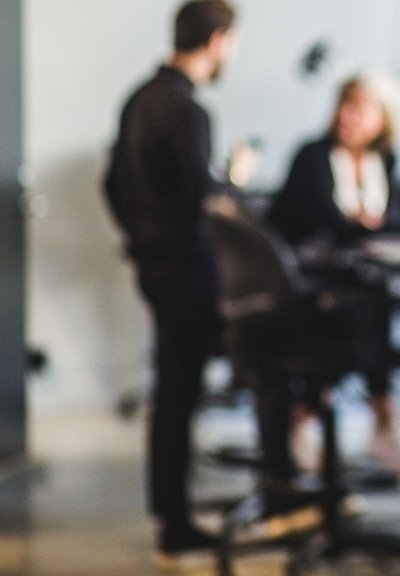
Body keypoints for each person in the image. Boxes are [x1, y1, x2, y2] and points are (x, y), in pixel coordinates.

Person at [102, 0, 251, 556]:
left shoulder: (139, 99)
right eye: (231, 42)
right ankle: (181, 522)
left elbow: (111, 185)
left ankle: (171, 515)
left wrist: (139, 237)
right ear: (215, 41)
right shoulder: (188, 110)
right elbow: (202, 200)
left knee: (172, 394)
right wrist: (233, 179)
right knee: (182, 392)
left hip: (153, 264)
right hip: (186, 270)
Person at [265, 73, 400, 481]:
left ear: (383, 119)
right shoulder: (312, 156)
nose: (347, 115)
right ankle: (375, 418)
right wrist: (396, 221)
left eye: (360, 107)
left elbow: (378, 223)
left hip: (352, 283)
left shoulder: (386, 161)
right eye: (344, 103)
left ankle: (320, 415)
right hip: (302, 284)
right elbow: (334, 224)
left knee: (370, 299)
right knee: (365, 305)